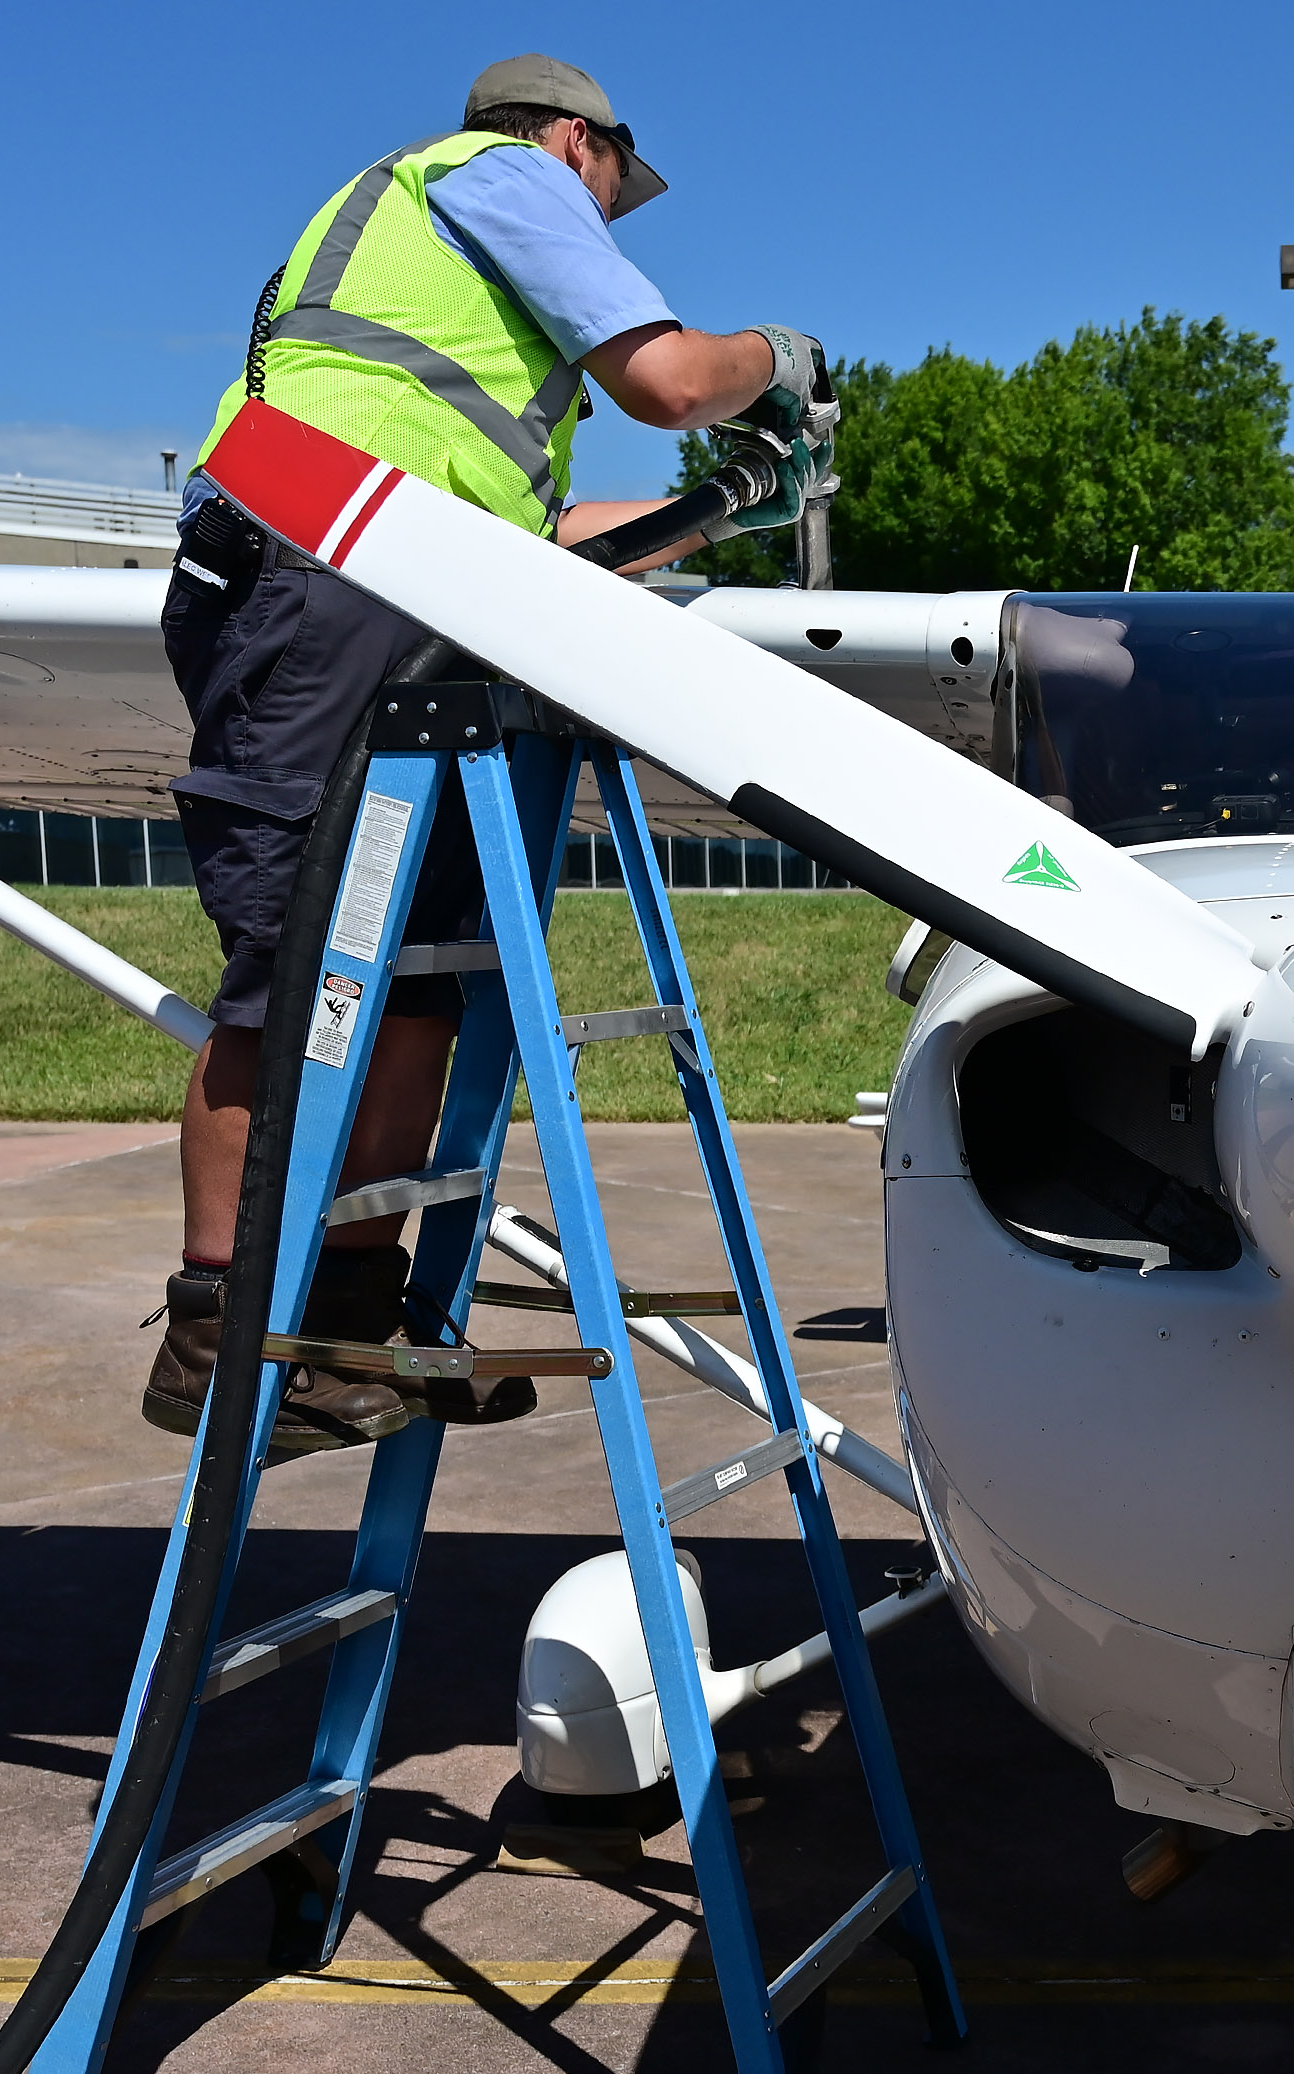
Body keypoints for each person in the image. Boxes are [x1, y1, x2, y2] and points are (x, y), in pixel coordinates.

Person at [145, 53, 826, 1455]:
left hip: (393, 582)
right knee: (288, 973)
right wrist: (780, 360)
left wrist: (722, 510)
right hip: (325, 563)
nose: (609, 229)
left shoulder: (460, 312)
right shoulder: (500, 180)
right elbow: (676, 379)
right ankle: (216, 1330)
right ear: (576, 142)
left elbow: (541, 539)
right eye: (614, 195)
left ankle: (346, 1325)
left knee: (410, 986)